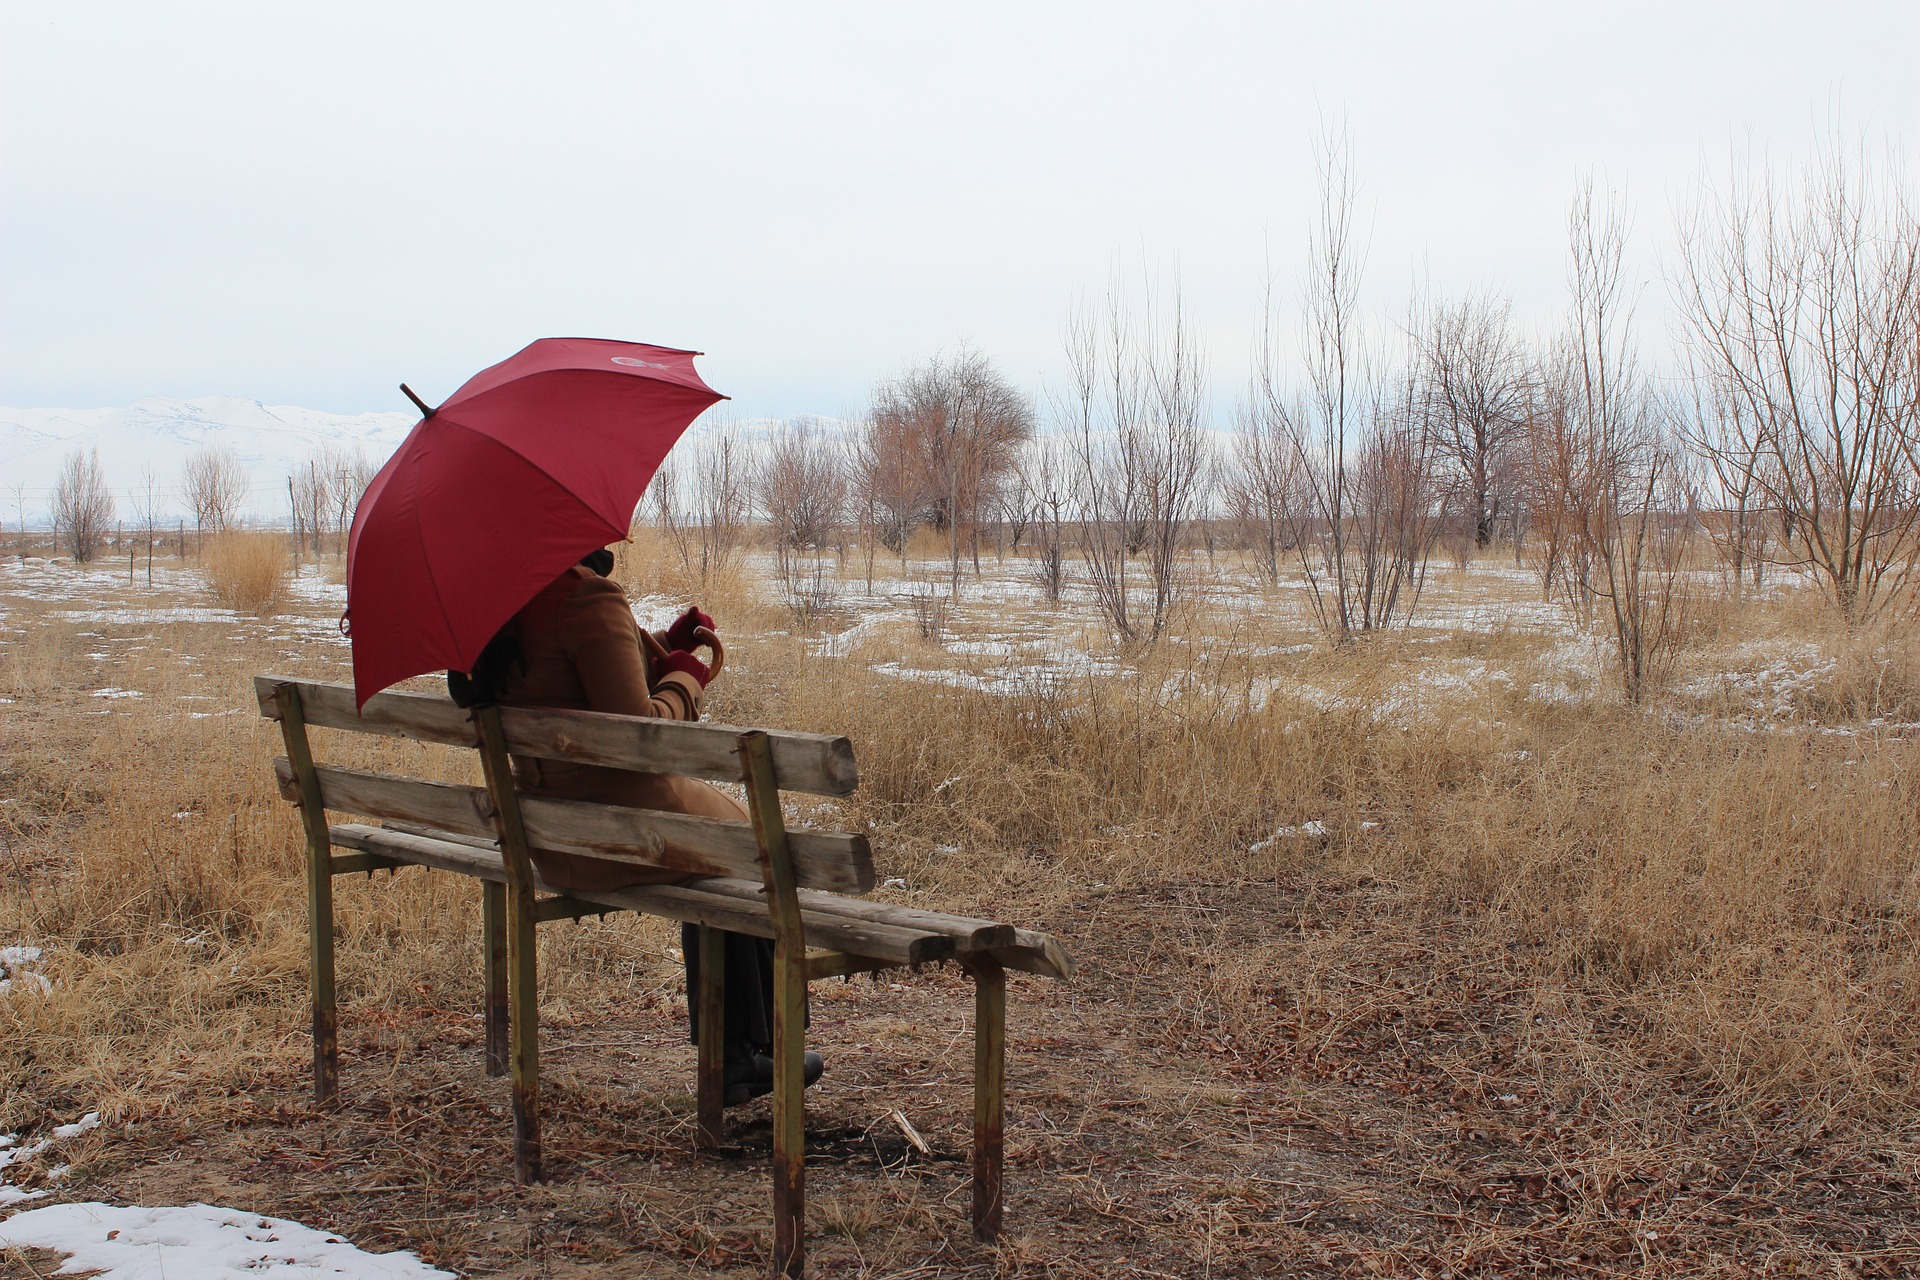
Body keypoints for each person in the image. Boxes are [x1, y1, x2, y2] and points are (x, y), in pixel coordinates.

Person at [449, 548, 821, 1105]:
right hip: (619, 831)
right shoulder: (584, 597)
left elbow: (568, 682)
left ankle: (742, 1050)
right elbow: (641, 737)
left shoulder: (491, 604)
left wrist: (654, 652)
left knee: (729, 848)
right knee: (749, 847)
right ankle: (740, 1056)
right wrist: (686, 681)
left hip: (552, 835)